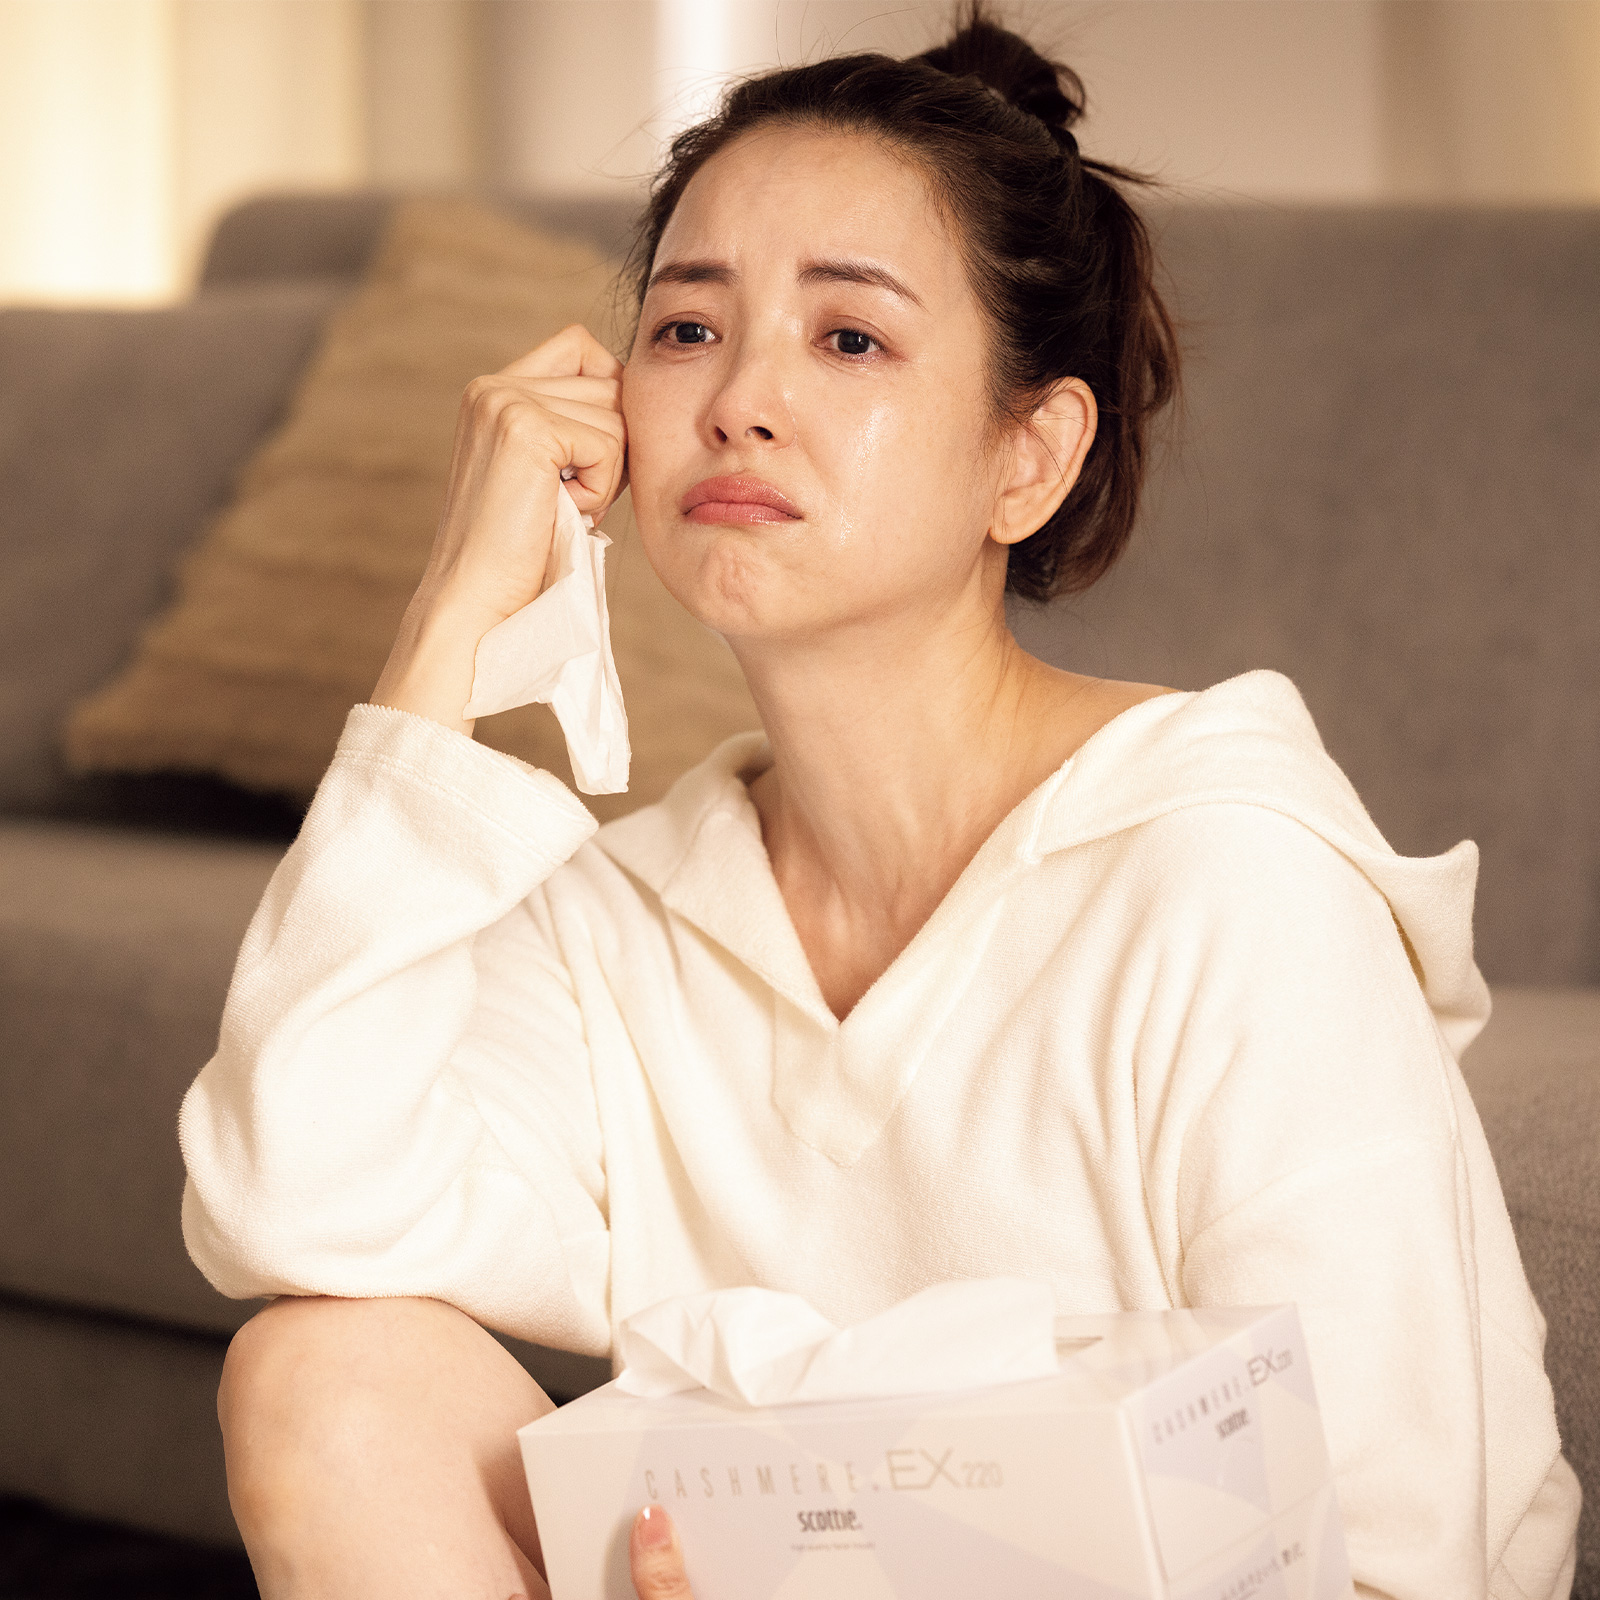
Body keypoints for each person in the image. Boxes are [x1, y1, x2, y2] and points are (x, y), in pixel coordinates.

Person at [181, 5, 1580, 1598]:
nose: (739, 398)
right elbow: (282, 1199)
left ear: (1028, 459)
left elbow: (1397, 1556)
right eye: (687, 328)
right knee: (322, 1377)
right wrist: (454, 613)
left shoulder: (1229, 882)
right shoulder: (622, 924)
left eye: (849, 338)